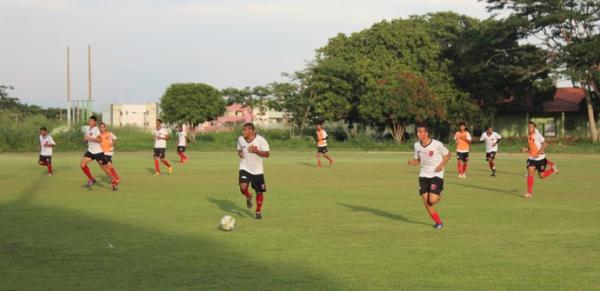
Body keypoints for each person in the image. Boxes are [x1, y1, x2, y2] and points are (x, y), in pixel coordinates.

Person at [408, 125, 451, 229]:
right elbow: (418, 160)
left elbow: (448, 154)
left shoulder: (437, 144)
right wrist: (413, 162)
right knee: (426, 201)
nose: (418, 133)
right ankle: (438, 222)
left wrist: (441, 166)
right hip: (423, 174)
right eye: (417, 132)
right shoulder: (417, 145)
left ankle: (438, 193)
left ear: (426, 133)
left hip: (436, 174)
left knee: (432, 200)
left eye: (420, 131)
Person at [237, 123, 270, 219]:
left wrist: (256, 151)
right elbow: (239, 149)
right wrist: (240, 154)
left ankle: (258, 211)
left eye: (245, 130)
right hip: (245, 167)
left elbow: (267, 154)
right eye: (243, 130)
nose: (243, 132)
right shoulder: (240, 139)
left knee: (259, 192)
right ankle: (248, 195)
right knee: (243, 187)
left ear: (251, 131)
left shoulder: (261, 140)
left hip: (257, 170)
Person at [522, 121, 558, 198]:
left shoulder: (537, 135)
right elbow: (531, 147)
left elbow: (545, 144)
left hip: (540, 159)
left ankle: (552, 169)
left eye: (531, 126)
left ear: (534, 128)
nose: (529, 128)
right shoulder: (529, 135)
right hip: (531, 158)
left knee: (541, 176)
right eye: (528, 126)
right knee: (530, 172)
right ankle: (529, 193)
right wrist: (526, 149)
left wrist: (538, 153)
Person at [80, 116, 116, 188]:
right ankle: (91, 179)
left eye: (91, 121)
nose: (90, 122)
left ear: (95, 122)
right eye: (89, 121)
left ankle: (112, 180)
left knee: (104, 168)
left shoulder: (96, 129)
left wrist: (89, 138)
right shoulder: (88, 129)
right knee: (82, 164)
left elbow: (100, 140)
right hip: (90, 151)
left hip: (98, 152)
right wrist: (85, 139)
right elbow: (85, 140)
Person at [99, 122, 120, 191]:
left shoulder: (109, 133)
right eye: (100, 127)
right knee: (109, 165)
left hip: (109, 152)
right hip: (102, 153)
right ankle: (116, 178)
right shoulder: (98, 135)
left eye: (103, 127)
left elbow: (115, 139)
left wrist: (112, 143)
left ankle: (114, 182)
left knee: (103, 164)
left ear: (105, 127)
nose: (102, 128)